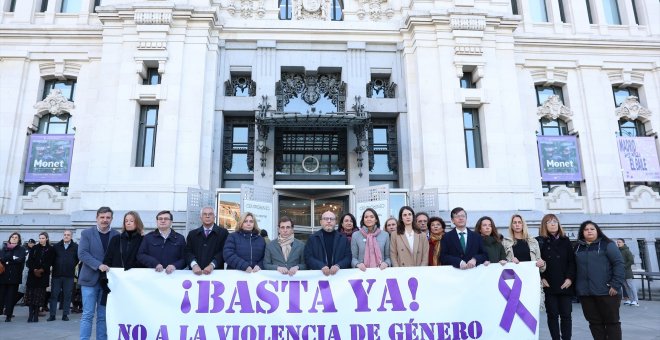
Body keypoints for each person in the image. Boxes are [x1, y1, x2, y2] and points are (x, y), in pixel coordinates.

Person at [575, 220, 625, 340]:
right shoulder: (577, 247)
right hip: (586, 293)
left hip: (607, 292)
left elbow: (619, 264)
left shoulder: (607, 244)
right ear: (582, 232)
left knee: (612, 323)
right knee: (595, 324)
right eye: (586, 229)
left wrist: (615, 285)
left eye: (592, 229)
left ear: (597, 231)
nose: (589, 231)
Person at [78, 206, 119, 340]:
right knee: (88, 314)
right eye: (102, 217)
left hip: (107, 282)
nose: (105, 220)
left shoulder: (117, 235)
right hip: (89, 280)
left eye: (108, 217)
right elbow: (82, 253)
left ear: (112, 219)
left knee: (103, 316)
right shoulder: (86, 233)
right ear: (97, 218)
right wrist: (98, 265)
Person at [537, 214, 576, 340]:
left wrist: (570, 278)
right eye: (549, 222)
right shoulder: (540, 241)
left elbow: (572, 261)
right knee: (552, 315)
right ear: (544, 225)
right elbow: (536, 262)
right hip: (549, 284)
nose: (553, 224)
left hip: (565, 283)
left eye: (555, 221)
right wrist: (542, 277)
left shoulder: (565, 240)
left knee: (566, 315)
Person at [304, 211, 352, 275]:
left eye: (332, 219)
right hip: (318, 278)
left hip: (339, 277)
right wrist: (320, 266)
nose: (329, 221)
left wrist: (338, 266)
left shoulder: (343, 239)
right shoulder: (312, 238)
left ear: (335, 222)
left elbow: (348, 257)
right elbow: (308, 257)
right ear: (321, 222)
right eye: (326, 219)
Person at [185, 207, 229, 275]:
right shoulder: (192, 234)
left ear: (214, 216)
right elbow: (187, 252)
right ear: (201, 217)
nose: (207, 216)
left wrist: (212, 265)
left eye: (210, 214)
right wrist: (194, 264)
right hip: (195, 274)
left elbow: (224, 252)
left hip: (216, 273)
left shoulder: (223, 233)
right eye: (204, 214)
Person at [48, 229, 78, 322]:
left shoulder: (76, 247)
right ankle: (52, 315)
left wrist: (71, 265)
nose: (66, 236)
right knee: (54, 295)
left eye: (68, 235)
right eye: (65, 234)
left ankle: (65, 315)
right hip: (56, 275)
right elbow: (52, 259)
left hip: (69, 275)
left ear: (71, 236)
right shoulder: (56, 246)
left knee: (67, 295)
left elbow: (77, 259)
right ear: (63, 235)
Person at [25, 232, 55, 322]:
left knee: (38, 297)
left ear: (46, 239)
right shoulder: (34, 248)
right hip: (32, 275)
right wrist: (34, 269)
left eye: (43, 238)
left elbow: (50, 261)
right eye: (40, 238)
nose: (41, 240)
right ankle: (30, 315)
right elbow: (29, 261)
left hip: (43, 275)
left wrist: (42, 269)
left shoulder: (50, 249)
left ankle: (36, 315)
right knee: (31, 296)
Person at [0, 232, 26, 322]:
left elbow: (20, 260)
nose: (14, 238)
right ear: (10, 238)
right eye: (12, 237)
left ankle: (8, 315)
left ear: (19, 239)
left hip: (14, 278)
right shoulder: (4, 248)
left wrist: (8, 260)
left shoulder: (22, 249)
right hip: (3, 277)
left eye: (16, 237)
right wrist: (13, 258)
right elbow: (2, 258)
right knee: (1, 296)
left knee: (10, 298)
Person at [616, 238, 639, 307]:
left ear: (623, 243)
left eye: (619, 242)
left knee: (631, 286)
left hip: (628, 272)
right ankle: (631, 300)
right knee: (626, 287)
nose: (618, 243)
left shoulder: (627, 251)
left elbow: (631, 260)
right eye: (617, 242)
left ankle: (636, 301)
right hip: (622, 272)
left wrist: (624, 267)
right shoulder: (618, 251)